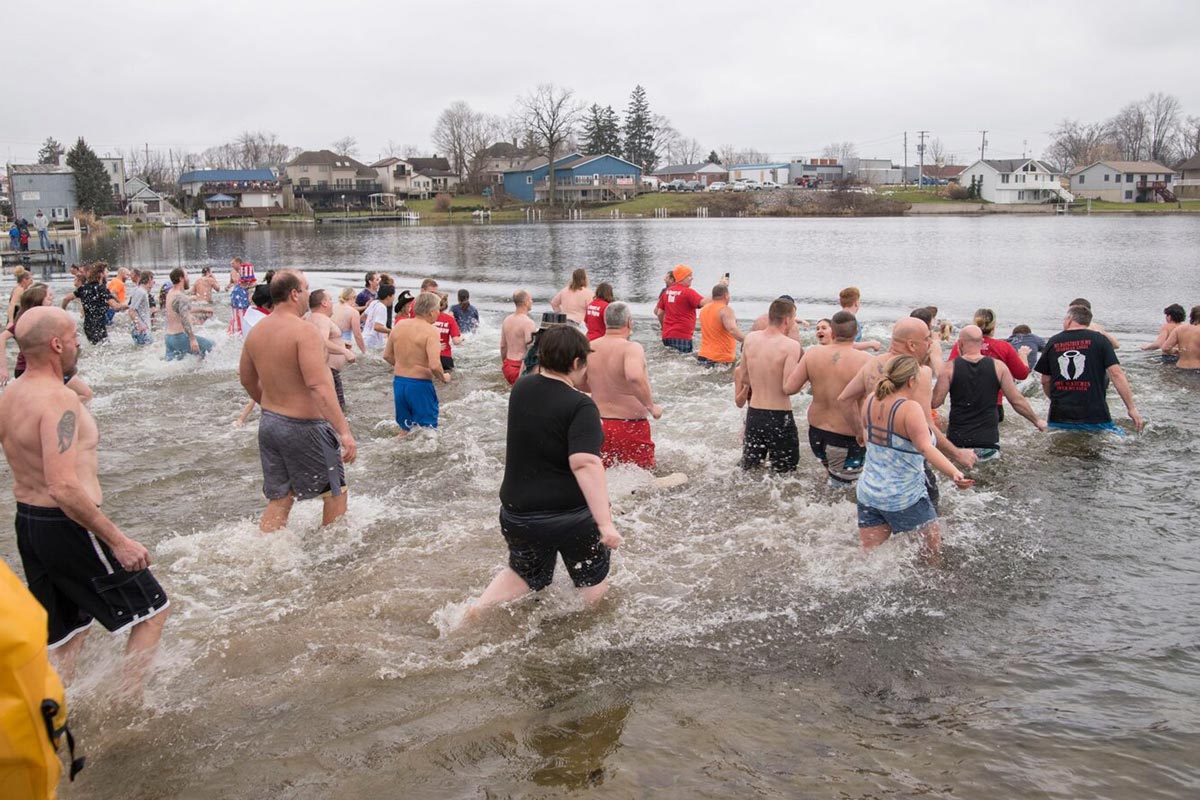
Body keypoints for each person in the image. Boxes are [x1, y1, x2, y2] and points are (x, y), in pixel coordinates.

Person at [0, 307, 170, 700]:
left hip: (29, 523)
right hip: (67, 523)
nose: (79, 341)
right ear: (56, 344)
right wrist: (118, 540)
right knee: (153, 611)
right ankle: (129, 707)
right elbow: (62, 485)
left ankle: (51, 715)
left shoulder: (11, 395)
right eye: (74, 334)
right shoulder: (58, 399)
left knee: (68, 635)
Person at [467, 325, 623, 618]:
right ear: (577, 363)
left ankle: (476, 610)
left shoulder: (522, 389)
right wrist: (605, 523)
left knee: (523, 573)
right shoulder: (582, 406)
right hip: (571, 517)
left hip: (518, 513)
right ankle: (586, 631)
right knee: (592, 582)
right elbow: (585, 463)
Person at [239, 270, 357, 532]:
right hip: (305, 428)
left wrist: (272, 406)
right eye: (305, 288)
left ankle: (267, 552)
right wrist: (344, 432)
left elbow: (246, 379)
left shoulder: (257, 331)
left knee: (281, 497)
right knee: (336, 492)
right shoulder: (305, 332)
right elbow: (318, 385)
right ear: (294, 293)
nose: (307, 293)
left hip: (269, 425)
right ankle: (333, 556)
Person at [838, 317, 979, 508]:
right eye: (928, 338)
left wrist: (861, 433)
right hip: (907, 460)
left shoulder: (873, 363)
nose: (931, 343)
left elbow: (844, 400)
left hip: (877, 460)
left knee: (879, 511)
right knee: (928, 519)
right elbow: (927, 427)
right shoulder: (918, 374)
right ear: (912, 345)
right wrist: (956, 454)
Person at [856, 355, 973, 556]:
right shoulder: (910, 409)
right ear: (911, 381)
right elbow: (926, 448)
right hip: (903, 496)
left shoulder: (870, 400)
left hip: (869, 492)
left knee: (870, 559)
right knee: (931, 557)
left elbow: (868, 436)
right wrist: (955, 473)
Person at [784, 311, 874, 485]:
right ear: (856, 333)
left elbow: (790, 388)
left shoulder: (812, 354)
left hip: (816, 434)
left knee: (833, 480)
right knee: (845, 491)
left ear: (833, 332)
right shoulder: (867, 360)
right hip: (849, 436)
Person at [932, 325, 1047, 459]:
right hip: (988, 442)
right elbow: (1016, 400)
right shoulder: (999, 367)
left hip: (958, 440)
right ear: (981, 343)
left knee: (958, 478)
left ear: (960, 343)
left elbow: (935, 402)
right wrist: (1037, 421)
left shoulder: (949, 369)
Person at [1035, 304, 1143, 433]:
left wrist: (1056, 400)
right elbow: (1116, 374)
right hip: (1095, 415)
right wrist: (1131, 408)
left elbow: (1045, 380)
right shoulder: (1100, 340)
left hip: (1060, 416)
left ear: (1069, 319)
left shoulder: (1053, 341)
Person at [581, 302, 662, 470]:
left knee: (603, 479)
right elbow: (634, 377)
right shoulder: (631, 348)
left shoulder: (590, 347)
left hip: (598, 424)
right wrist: (651, 406)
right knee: (642, 481)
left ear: (605, 322)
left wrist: (600, 387)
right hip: (630, 426)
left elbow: (578, 381)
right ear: (629, 322)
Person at [735, 298, 803, 473]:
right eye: (794, 319)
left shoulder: (750, 339)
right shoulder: (791, 346)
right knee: (785, 473)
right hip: (780, 417)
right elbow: (788, 387)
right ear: (787, 320)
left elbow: (743, 377)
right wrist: (804, 381)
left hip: (754, 416)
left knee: (749, 470)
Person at [384, 291, 450, 436]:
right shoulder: (431, 331)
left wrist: (404, 366)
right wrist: (443, 377)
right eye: (438, 310)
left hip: (399, 383)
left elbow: (387, 355)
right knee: (427, 432)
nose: (439, 313)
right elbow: (434, 365)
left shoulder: (399, 325)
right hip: (419, 386)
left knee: (405, 430)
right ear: (432, 312)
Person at [948, 308, 1031, 420]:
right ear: (994, 326)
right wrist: (1023, 355)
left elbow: (948, 372)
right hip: (993, 406)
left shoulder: (962, 345)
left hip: (964, 404)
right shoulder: (1004, 347)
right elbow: (1022, 374)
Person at [309, 289, 356, 410]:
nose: (332, 303)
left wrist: (341, 344)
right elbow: (322, 341)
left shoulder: (310, 317)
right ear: (324, 303)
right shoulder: (322, 319)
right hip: (329, 371)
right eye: (330, 299)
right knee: (338, 409)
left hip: (322, 370)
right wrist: (344, 351)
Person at [61, 262, 127, 345]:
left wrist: (62, 312)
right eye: (106, 272)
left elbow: (66, 298)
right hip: (98, 326)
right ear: (100, 274)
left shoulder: (84, 287)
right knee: (104, 349)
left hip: (88, 326)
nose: (108, 274)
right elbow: (116, 306)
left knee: (95, 347)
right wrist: (130, 305)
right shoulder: (101, 288)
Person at [655, 265, 714, 353]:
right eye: (689, 276)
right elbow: (704, 303)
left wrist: (664, 327)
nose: (692, 278)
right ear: (682, 278)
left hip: (667, 336)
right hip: (682, 336)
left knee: (671, 360)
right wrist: (720, 289)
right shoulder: (688, 292)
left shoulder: (667, 291)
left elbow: (659, 313)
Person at [164, 268, 215, 361]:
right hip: (179, 337)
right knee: (212, 347)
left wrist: (203, 310)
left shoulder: (170, 293)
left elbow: (184, 310)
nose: (189, 279)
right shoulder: (180, 296)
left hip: (169, 338)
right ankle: (200, 372)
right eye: (187, 276)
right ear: (181, 278)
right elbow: (184, 317)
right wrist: (192, 339)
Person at [696, 283, 745, 366]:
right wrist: (747, 340)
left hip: (703, 355)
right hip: (721, 358)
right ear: (726, 296)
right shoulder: (725, 310)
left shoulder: (704, 309)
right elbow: (732, 330)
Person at [501, 290, 538, 386]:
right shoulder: (528, 323)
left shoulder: (507, 320)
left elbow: (503, 346)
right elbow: (531, 350)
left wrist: (504, 363)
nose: (532, 302)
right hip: (520, 367)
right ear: (525, 302)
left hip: (508, 366)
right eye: (530, 299)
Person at [838, 286, 881, 352]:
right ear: (856, 303)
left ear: (840, 303)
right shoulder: (847, 319)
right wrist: (871, 344)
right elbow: (845, 345)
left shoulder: (840, 317)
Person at [1162, 305, 1200, 370]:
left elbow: (1165, 348)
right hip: (1197, 369)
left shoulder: (1179, 329)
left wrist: (1176, 351)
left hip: (1180, 368)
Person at [434, 293, 463, 373]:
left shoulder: (427, 317)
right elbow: (456, 341)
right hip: (445, 357)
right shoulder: (450, 319)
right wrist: (462, 338)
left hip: (429, 355)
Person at [334, 287, 368, 354]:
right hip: (344, 345)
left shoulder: (333, 307)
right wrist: (364, 351)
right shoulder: (353, 312)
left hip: (331, 343)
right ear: (354, 297)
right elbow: (357, 335)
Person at [362, 283, 395, 349]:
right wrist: (392, 331)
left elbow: (363, 317)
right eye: (393, 295)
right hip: (372, 342)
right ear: (388, 296)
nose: (394, 298)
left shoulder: (374, 302)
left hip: (364, 337)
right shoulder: (382, 308)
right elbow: (377, 327)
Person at [227, 262, 255, 336]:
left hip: (234, 327)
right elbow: (251, 302)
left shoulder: (236, 288)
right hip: (244, 327)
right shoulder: (249, 290)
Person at [127, 270, 154, 346]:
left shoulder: (141, 291)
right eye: (152, 280)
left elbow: (138, 310)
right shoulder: (141, 292)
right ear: (148, 279)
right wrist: (140, 324)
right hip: (143, 330)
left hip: (141, 328)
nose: (153, 283)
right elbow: (131, 310)